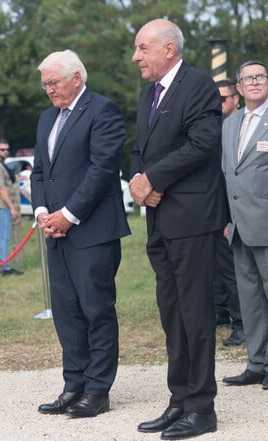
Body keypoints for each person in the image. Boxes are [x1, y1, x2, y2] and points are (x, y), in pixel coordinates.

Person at [129, 19, 227, 439]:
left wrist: (154, 178)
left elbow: (203, 143)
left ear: (169, 49)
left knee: (195, 312)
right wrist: (138, 182)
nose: (136, 57)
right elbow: (138, 148)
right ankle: (179, 400)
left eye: (142, 48)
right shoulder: (148, 93)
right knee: (172, 313)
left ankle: (202, 408)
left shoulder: (199, 84)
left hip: (192, 219)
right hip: (159, 220)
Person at [31, 50, 129, 418]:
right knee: (66, 312)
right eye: (44, 85)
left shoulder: (102, 110)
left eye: (53, 83)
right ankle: (73, 385)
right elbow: (39, 171)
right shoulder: (46, 119)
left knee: (96, 310)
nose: (49, 91)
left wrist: (69, 215)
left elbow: (103, 170)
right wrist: (42, 212)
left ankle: (98, 390)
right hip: (55, 231)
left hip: (92, 230)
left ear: (76, 77)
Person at [220, 60, 268, 390]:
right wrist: (225, 218)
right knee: (249, 299)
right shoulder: (230, 123)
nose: (254, 82)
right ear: (238, 88)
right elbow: (226, 173)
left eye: (260, 76)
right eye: (247, 78)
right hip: (237, 226)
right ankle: (257, 362)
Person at [214, 78, 244, 346]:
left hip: (236, 210)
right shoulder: (215, 127)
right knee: (217, 268)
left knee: (233, 271)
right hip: (214, 208)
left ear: (236, 98)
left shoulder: (244, 128)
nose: (218, 103)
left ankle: (241, 323)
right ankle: (221, 312)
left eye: (223, 98)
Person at [0, 140, 22, 276]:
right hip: (2, 206)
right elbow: (0, 188)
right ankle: (6, 268)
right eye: (2, 149)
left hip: (2, 205)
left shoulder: (1, 165)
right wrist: (12, 208)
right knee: (5, 237)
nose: (5, 151)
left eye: (7, 149)